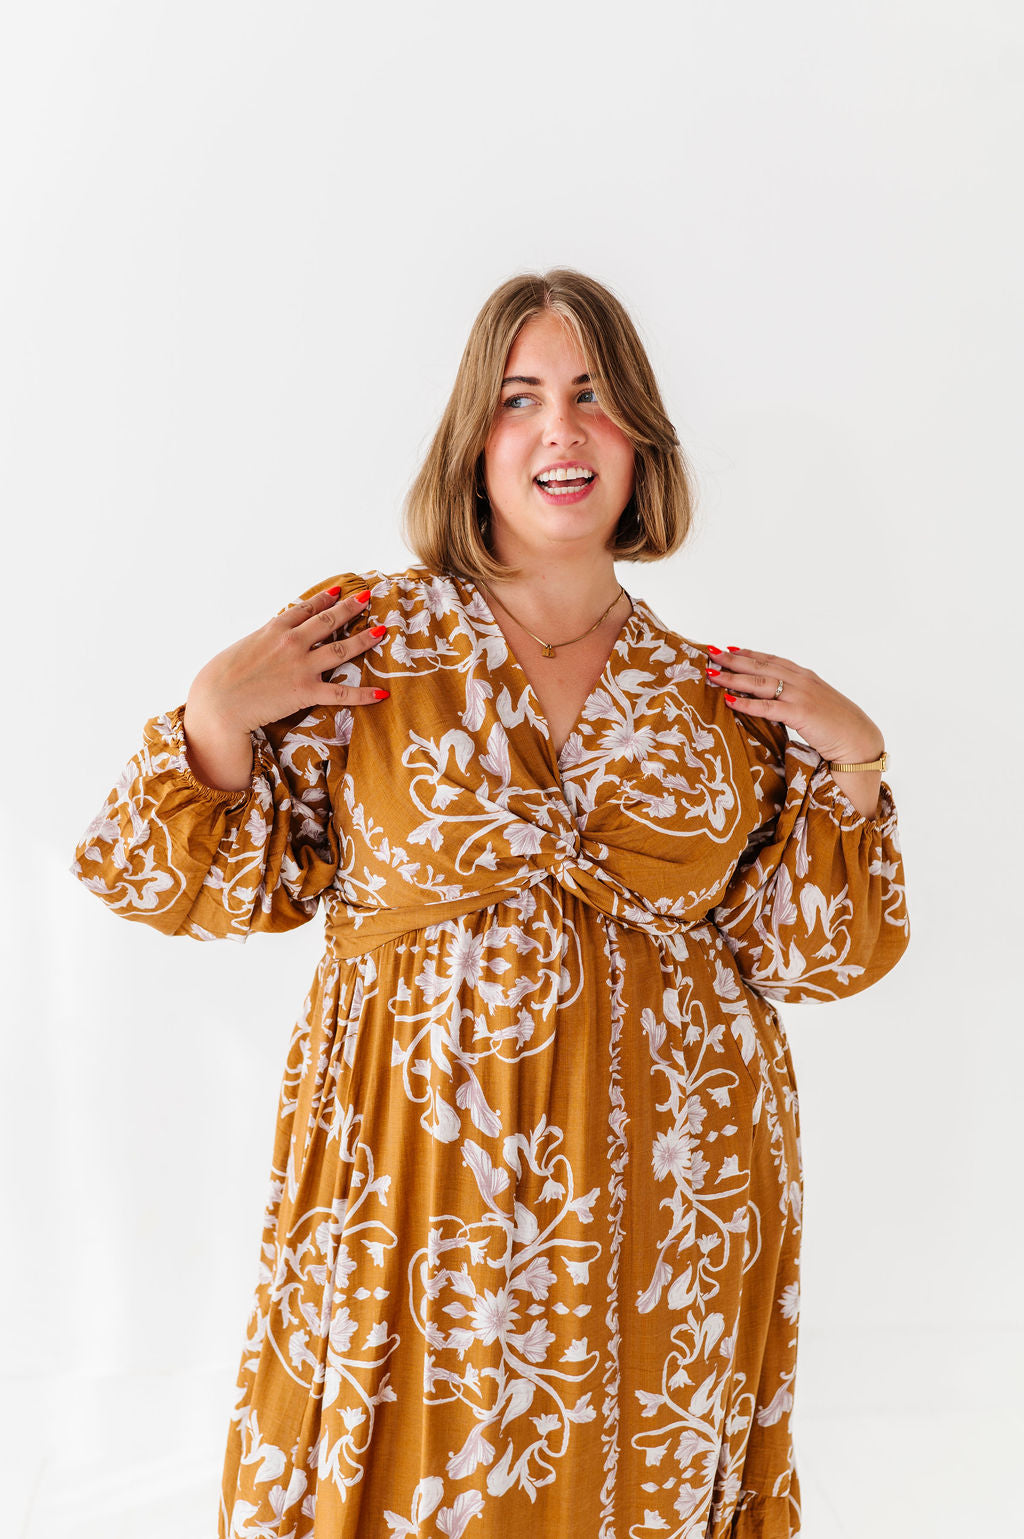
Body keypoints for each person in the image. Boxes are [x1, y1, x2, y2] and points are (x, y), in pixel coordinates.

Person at [72, 268, 909, 1539]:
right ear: (473, 440)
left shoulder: (713, 696)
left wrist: (854, 760)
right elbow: (174, 882)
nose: (560, 430)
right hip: (414, 1189)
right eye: (520, 399)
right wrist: (214, 716)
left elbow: (820, 957)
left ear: (641, 439)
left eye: (592, 396)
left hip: (674, 1200)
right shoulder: (367, 643)